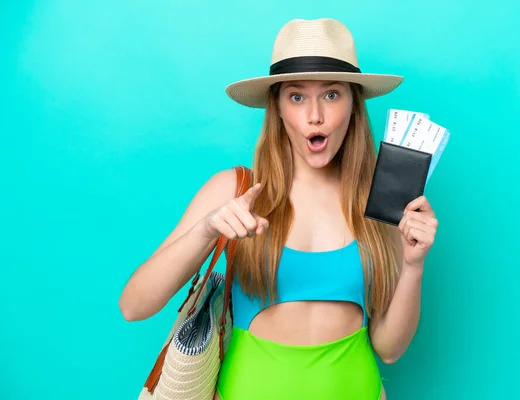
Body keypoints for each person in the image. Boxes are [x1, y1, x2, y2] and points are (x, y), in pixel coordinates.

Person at [119, 18, 439, 400]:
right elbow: (133, 305)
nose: (315, 115)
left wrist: (414, 266)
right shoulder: (234, 190)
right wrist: (206, 229)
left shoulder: (378, 201)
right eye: (297, 96)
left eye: (332, 94)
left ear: (354, 106)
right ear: (278, 109)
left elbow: (389, 349)